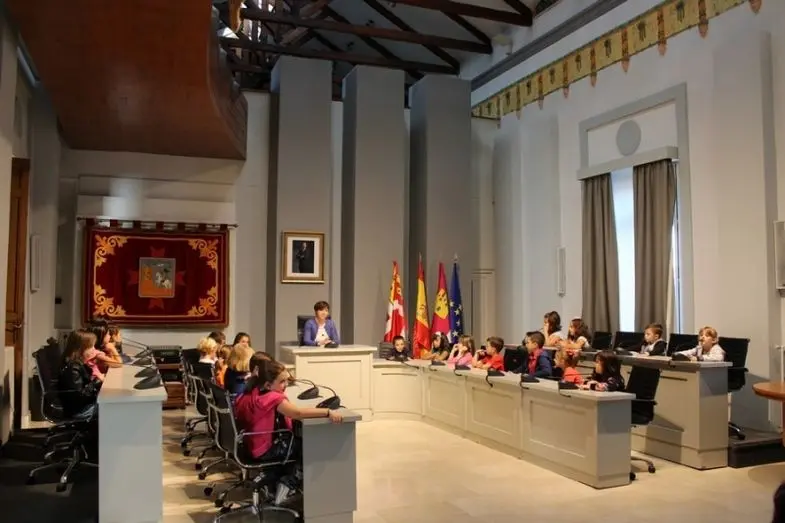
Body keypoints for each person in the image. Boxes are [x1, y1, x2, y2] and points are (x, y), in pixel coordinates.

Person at [234, 359, 342, 461]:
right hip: (265, 451)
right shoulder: (273, 397)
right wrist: (327, 412)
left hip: (249, 446)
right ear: (268, 385)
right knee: (309, 444)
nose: (286, 384)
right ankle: (296, 475)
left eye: (287, 380)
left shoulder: (253, 391)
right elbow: (297, 413)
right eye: (282, 381)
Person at [58, 330, 103, 420]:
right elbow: (81, 396)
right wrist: (97, 381)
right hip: (79, 411)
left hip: (82, 406)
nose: (94, 350)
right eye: (91, 347)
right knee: (113, 407)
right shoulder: (73, 368)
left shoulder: (78, 363)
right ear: (81, 348)